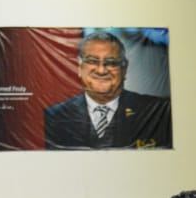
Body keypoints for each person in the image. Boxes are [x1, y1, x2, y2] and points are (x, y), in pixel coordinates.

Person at [44, 30, 173, 149]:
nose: (101, 70)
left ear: (124, 68)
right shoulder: (55, 116)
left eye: (111, 62)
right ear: (79, 67)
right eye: (92, 61)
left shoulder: (157, 112)